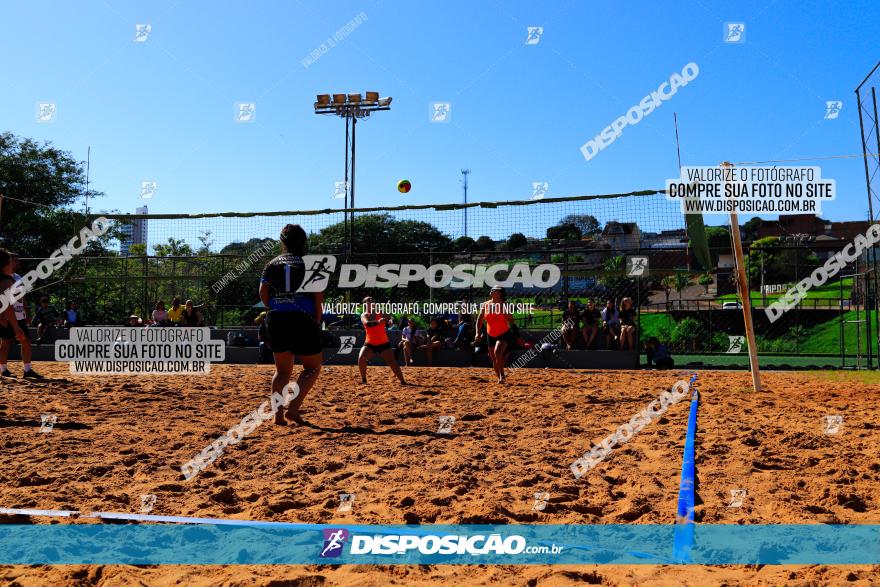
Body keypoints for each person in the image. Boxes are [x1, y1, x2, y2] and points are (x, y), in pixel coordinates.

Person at [259, 224, 324, 425]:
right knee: (312, 368)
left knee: (282, 372)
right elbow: (318, 297)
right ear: (303, 241)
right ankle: (293, 410)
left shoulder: (271, 264)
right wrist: (317, 319)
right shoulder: (312, 264)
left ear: (282, 241)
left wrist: (277, 308)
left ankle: (277, 415)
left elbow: (263, 293)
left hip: (277, 317)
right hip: (303, 317)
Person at [0, 251, 38, 378]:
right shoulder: (5, 278)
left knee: (25, 340)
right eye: (15, 260)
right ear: (7, 263)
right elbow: (5, 302)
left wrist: (26, 311)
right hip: (7, 314)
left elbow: (22, 296)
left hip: (17, 314)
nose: (18, 262)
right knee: (6, 342)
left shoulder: (18, 277)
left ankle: (27, 370)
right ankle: (3, 369)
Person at [358, 297, 407, 385]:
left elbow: (389, 318)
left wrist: (391, 320)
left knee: (392, 362)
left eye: (372, 300)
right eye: (368, 301)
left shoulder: (380, 312)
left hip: (383, 343)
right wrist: (378, 322)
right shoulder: (364, 315)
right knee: (361, 358)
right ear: (364, 304)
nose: (370, 301)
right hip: (370, 343)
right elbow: (367, 324)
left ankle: (403, 381)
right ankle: (364, 380)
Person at [474, 286, 516, 384]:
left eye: (494, 290)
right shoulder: (485, 305)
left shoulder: (504, 305)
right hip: (490, 334)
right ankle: (500, 378)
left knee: (497, 353)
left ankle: (502, 376)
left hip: (503, 333)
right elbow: (479, 320)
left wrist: (508, 316)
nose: (492, 290)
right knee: (493, 359)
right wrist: (477, 333)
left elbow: (511, 320)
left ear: (500, 293)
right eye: (492, 289)